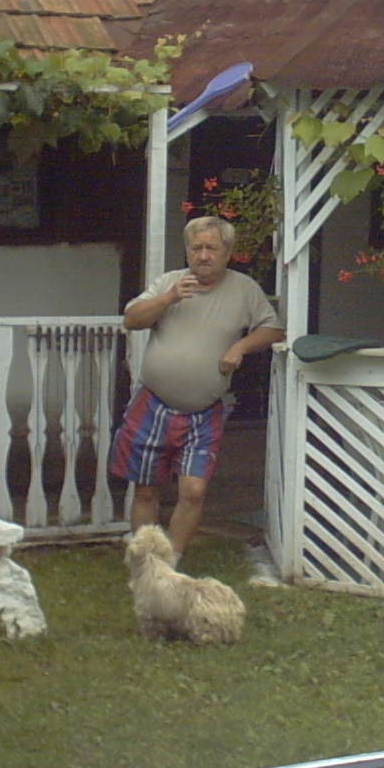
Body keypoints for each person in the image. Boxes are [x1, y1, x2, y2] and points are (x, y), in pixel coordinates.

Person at [113, 215, 285, 557]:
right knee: (146, 490)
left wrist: (240, 347)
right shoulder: (170, 282)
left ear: (227, 252)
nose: (203, 256)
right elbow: (131, 320)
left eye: (211, 248)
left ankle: (171, 564)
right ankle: (148, 564)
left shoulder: (244, 289)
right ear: (187, 251)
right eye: (196, 248)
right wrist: (168, 298)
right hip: (154, 402)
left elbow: (273, 330)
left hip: (205, 410)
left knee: (193, 491)